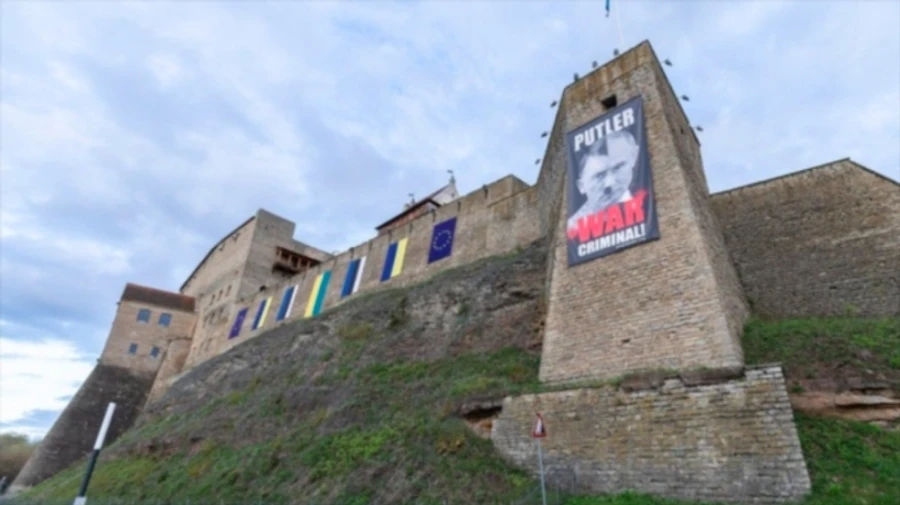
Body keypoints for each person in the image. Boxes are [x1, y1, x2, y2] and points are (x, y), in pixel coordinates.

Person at [567, 129, 640, 231]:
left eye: (618, 168)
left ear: (634, 157)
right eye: (599, 176)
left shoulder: (651, 204)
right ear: (581, 186)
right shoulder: (573, 229)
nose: (609, 183)